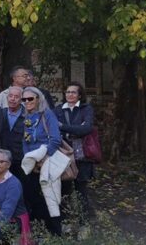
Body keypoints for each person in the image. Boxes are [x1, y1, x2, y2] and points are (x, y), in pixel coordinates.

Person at [20, 87, 62, 236]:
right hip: (32, 164)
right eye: (23, 100)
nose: (27, 102)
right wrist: (30, 160)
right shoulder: (26, 117)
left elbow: (56, 139)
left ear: (39, 99)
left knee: (50, 197)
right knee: (33, 197)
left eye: (30, 99)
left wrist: (43, 159)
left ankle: (56, 234)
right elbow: (25, 142)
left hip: (47, 161)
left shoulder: (47, 114)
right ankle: (39, 231)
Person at [54, 81, 95, 223]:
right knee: (64, 189)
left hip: (81, 155)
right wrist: (76, 128)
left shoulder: (86, 109)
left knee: (81, 189)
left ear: (79, 95)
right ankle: (65, 222)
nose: (70, 94)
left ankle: (84, 222)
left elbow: (87, 129)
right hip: (63, 154)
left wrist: (64, 127)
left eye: (73, 92)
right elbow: (54, 128)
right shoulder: (58, 109)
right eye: (67, 92)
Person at [2, 86, 28, 186]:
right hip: (3, 159)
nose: (12, 99)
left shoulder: (27, 114)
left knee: (22, 186)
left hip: (21, 159)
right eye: (10, 96)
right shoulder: (1, 113)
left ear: (21, 99)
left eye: (16, 97)